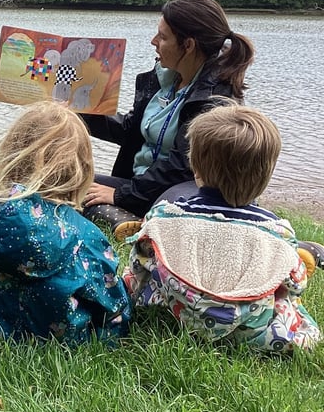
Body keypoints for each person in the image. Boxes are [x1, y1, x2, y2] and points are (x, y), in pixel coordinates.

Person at [123, 105, 321, 353]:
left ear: (195, 167)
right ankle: (306, 255)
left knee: (145, 261)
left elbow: (139, 264)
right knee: (286, 291)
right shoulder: (277, 232)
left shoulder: (164, 217)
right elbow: (294, 283)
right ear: (266, 176)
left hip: (175, 316)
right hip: (250, 331)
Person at [79, 0, 255, 229]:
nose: (153, 41)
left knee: (170, 204)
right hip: (143, 183)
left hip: (184, 189)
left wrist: (122, 195)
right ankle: (131, 221)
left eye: (162, 37)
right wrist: (79, 109)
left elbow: (181, 167)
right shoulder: (164, 78)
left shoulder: (215, 101)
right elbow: (132, 131)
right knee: (70, 183)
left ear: (189, 45)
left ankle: (139, 222)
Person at [0, 101, 131, 346]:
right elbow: (112, 305)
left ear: (13, 156)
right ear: (82, 168)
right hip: (67, 341)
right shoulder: (86, 235)